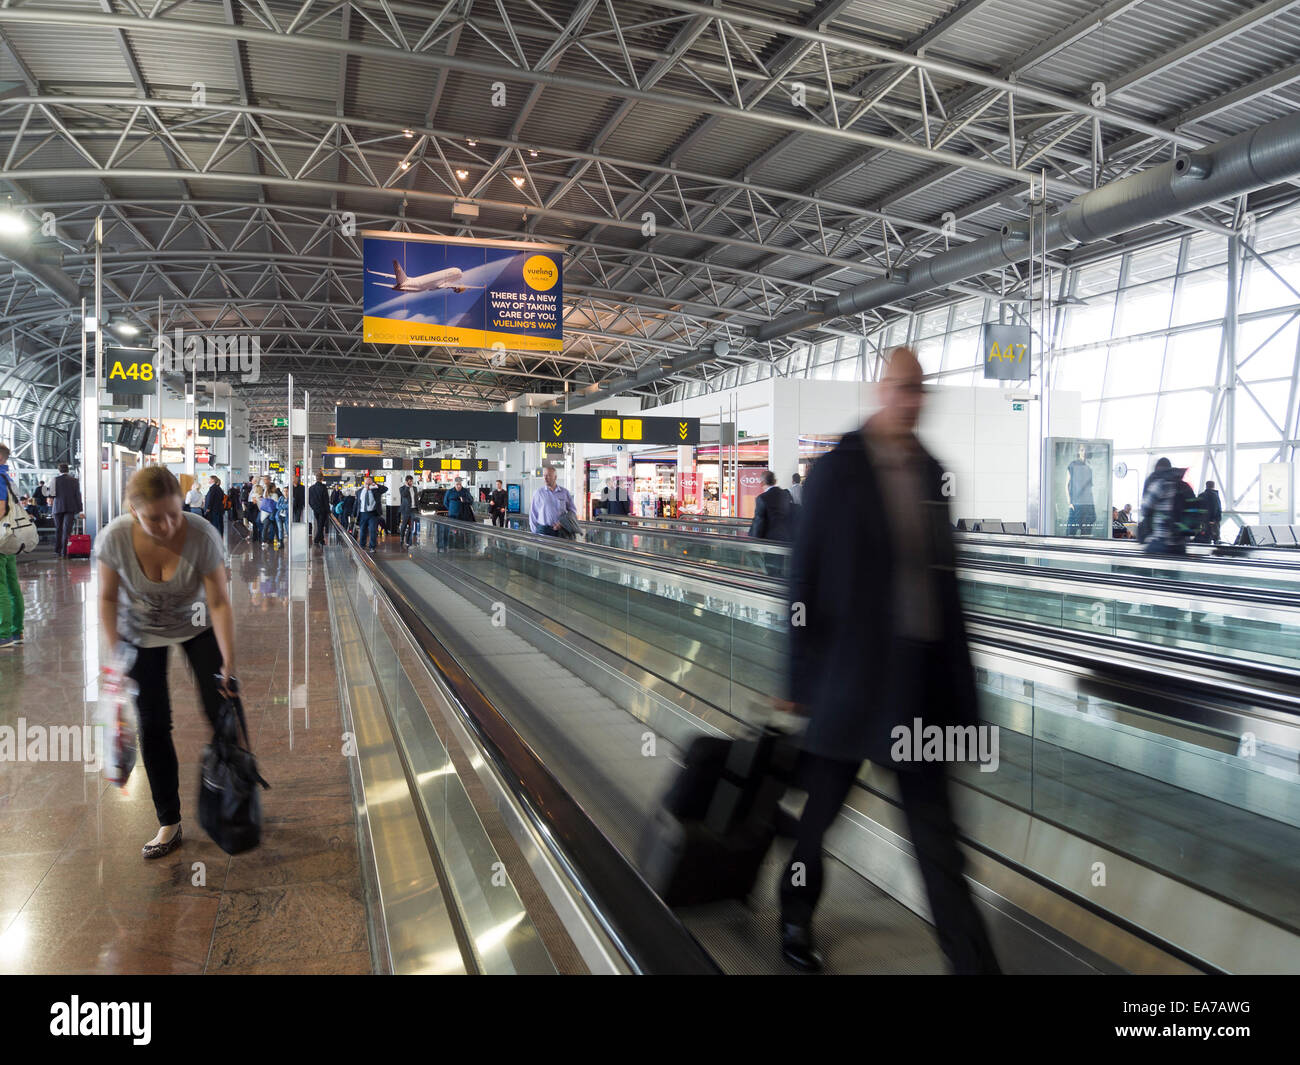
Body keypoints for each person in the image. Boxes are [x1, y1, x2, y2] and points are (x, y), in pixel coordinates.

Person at [779, 346, 999, 975]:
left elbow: (947, 590)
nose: (912, 402)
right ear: (880, 390)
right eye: (903, 389)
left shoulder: (932, 473)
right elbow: (803, 583)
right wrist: (796, 681)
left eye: (921, 391)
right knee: (817, 822)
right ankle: (795, 919)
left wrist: (965, 699)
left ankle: (975, 965)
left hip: (917, 692)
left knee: (938, 846)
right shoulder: (836, 473)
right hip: (846, 686)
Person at [95, 465, 235, 859]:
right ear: (134, 511)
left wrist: (229, 662)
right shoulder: (115, 538)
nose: (168, 525)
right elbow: (107, 598)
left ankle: (230, 798)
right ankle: (169, 821)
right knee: (154, 724)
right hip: (141, 632)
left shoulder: (202, 533)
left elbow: (220, 602)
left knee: (221, 708)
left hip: (197, 624)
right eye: (155, 518)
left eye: (174, 513)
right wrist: (116, 656)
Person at [1139, 457, 1195, 555]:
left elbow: (1145, 509)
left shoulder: (1160, 484)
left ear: (1157, 469)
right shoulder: (1184, 486)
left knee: (1143, 562)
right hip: (1181, 544)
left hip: (1162, 542)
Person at [0, 444, 25, 648]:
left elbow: (0, 509)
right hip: (9, 536)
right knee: (11, 584)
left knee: (1, 587)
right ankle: (17, 631)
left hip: (0, 537)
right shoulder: (8, 479)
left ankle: (3, 633)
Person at [528, 466, 576, 537]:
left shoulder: (564, 492)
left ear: (555, 477)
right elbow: (533, 514)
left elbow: (572, 511)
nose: (545, 478)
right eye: (544, 475)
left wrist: (562, 523)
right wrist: (535, 533)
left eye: (548, 476)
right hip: (543, 530)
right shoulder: (538, 493)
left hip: (561, 531)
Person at [750, 472, 794, 543]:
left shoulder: (762, 498)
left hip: (770, 540)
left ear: (762, 483)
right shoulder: (786, 494)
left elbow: (759, 522)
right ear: (775, 481)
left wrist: (754, 542)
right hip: (787, 538)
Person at [52, 462, 83, 558]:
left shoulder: (55, 480)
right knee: (67, 530)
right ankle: (64, 551)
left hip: (57, 507)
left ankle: (57, 550)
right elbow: (77, 495)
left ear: (59, 470)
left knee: (59, 529)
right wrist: (80, 509)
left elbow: (51, 493)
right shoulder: (74, 480)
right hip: (70, 507)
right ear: (68, 470)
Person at [1065, 443, 1095, 535]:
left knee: (1086, 535)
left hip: (1088, 505)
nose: (1084, 452)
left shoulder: (1089, 467)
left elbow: (1090, 488)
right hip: (1076, 504)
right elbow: (1066, 485)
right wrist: (1069, 502)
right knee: (1070, 534)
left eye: (1086, 450)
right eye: (1082, 450)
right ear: (1078, 451)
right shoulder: (1073, 465)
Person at [356, 475, 386, 550]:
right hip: (363, 513)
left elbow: (385, 489)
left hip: (373, 514)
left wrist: (375, 485)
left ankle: (372, 546)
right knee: (363, 530)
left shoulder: (376, 490)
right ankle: (362, 545)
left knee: (373, 530)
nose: (368, 485)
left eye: (369, 483)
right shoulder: (359, 491)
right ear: (364, 483)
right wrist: (354, 513)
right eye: (367, 483)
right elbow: (357, 503)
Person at [309, 473, 331, 546]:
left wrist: (313, 507)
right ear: (322, 478)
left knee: (319, 524)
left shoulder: (311, 488)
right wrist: (328, 511)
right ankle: (316, 539)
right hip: (323, 510)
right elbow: (326, 500)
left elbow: (309, 500)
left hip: (315, 510)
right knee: (321, 525)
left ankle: (321, 540)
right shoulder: (323, 487)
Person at [399, 475, 417, 547]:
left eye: (412, 481)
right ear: (406, 481)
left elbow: (415, 498)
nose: (411, 482)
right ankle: (402, 538)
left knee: (412, 526)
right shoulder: (402, 488)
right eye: (409, 481)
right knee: (404, 525)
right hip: (406, 510)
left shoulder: (415, 488)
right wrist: (407, 487)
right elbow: (404, 495)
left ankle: (408, 541)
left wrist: (418, 507)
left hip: (413, 509)